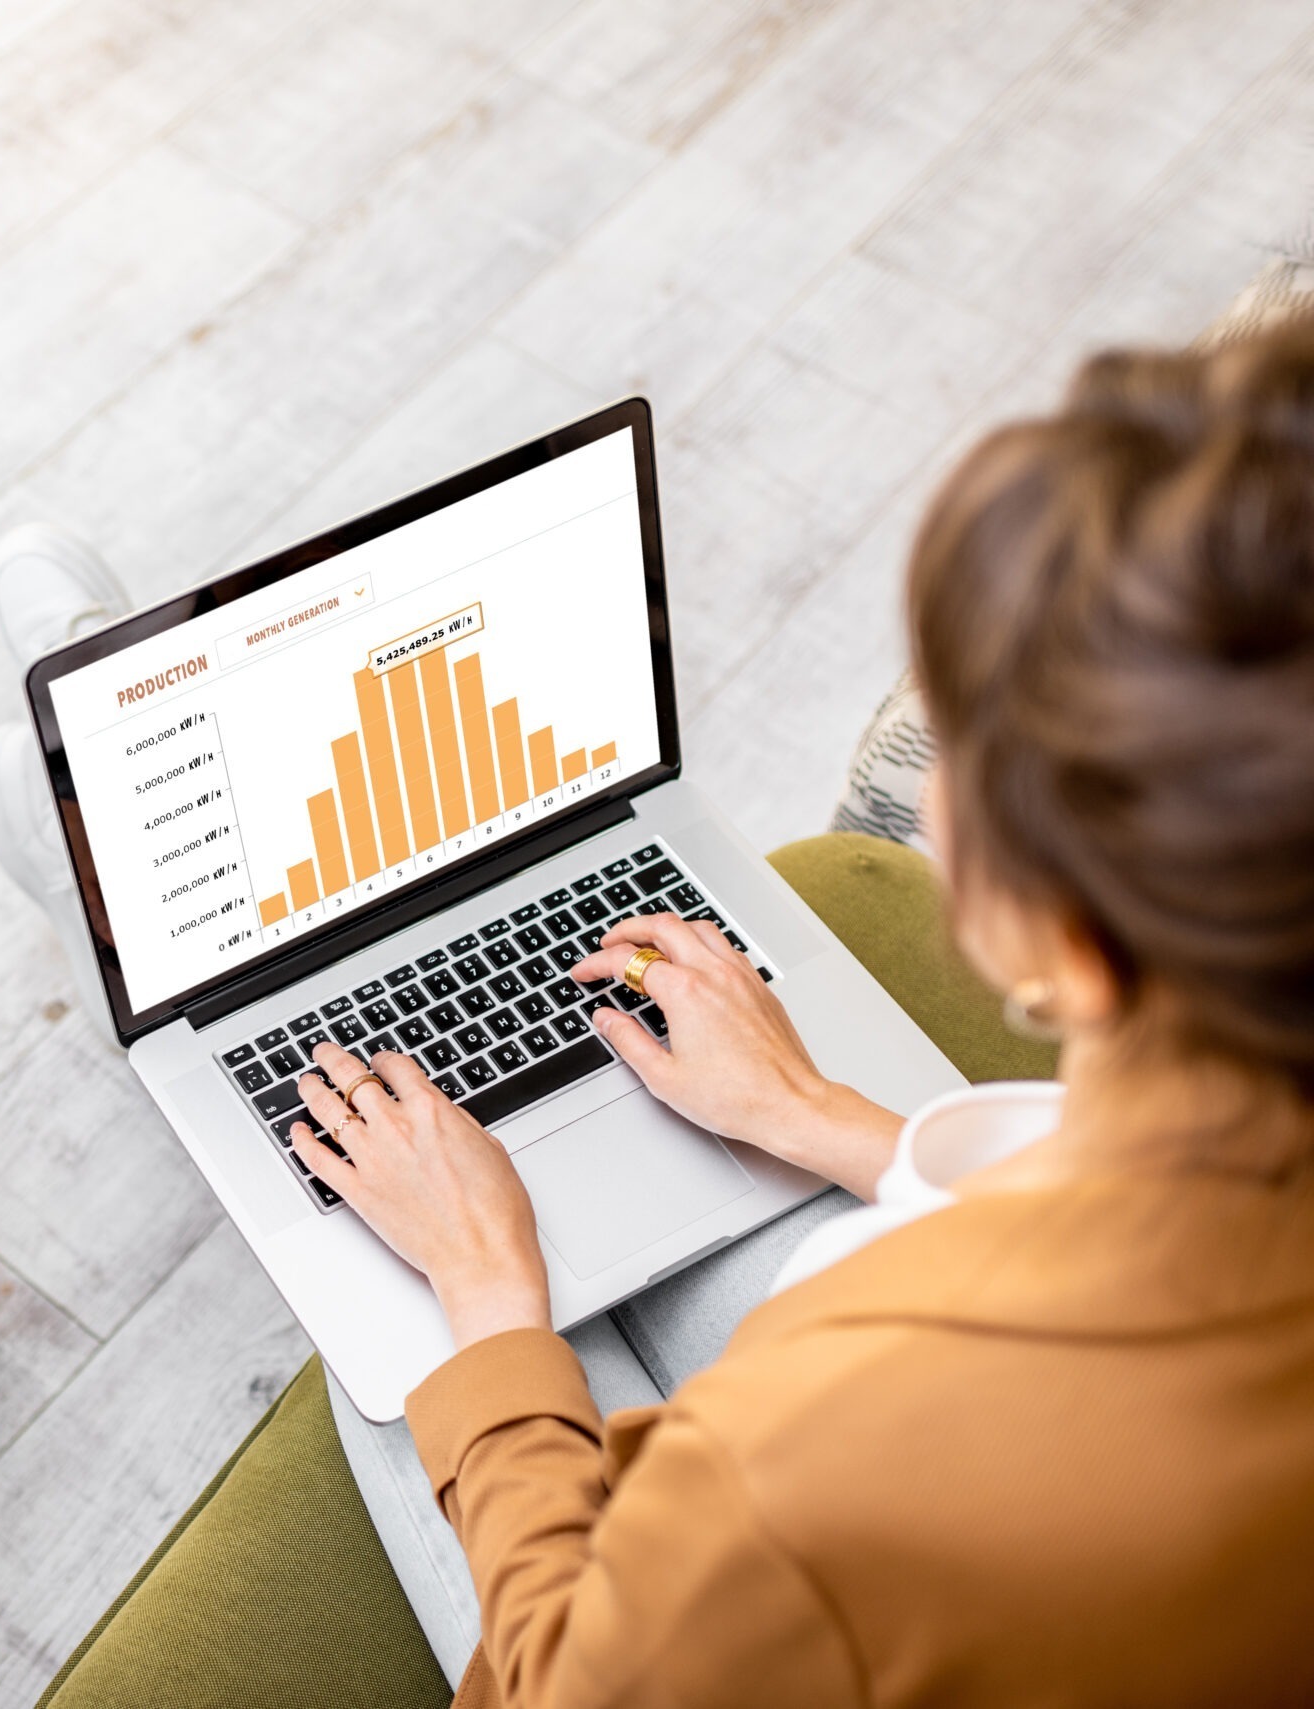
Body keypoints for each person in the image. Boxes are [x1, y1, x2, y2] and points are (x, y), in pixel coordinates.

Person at [281, 319, 1314, 1704]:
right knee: (650, 1217)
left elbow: (570, 1683)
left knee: (385, 1325)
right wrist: (816, 1116)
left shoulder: (817, 1455)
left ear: (1066, 943)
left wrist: (486, 1288)